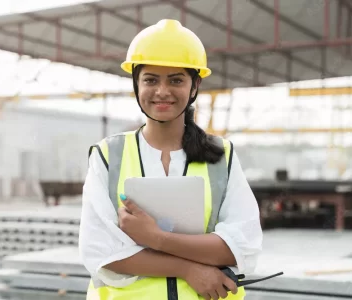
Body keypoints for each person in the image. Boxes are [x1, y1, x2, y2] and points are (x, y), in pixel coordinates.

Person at [79, 19, 263, 300]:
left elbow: (241, 245)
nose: (162, 91)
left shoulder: (222, 157)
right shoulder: (107, 155)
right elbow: (102, 252)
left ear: (194, 85)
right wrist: (190, 269)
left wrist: (156, 238)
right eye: (151, 79)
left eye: (176, 80)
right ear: (136, 84)